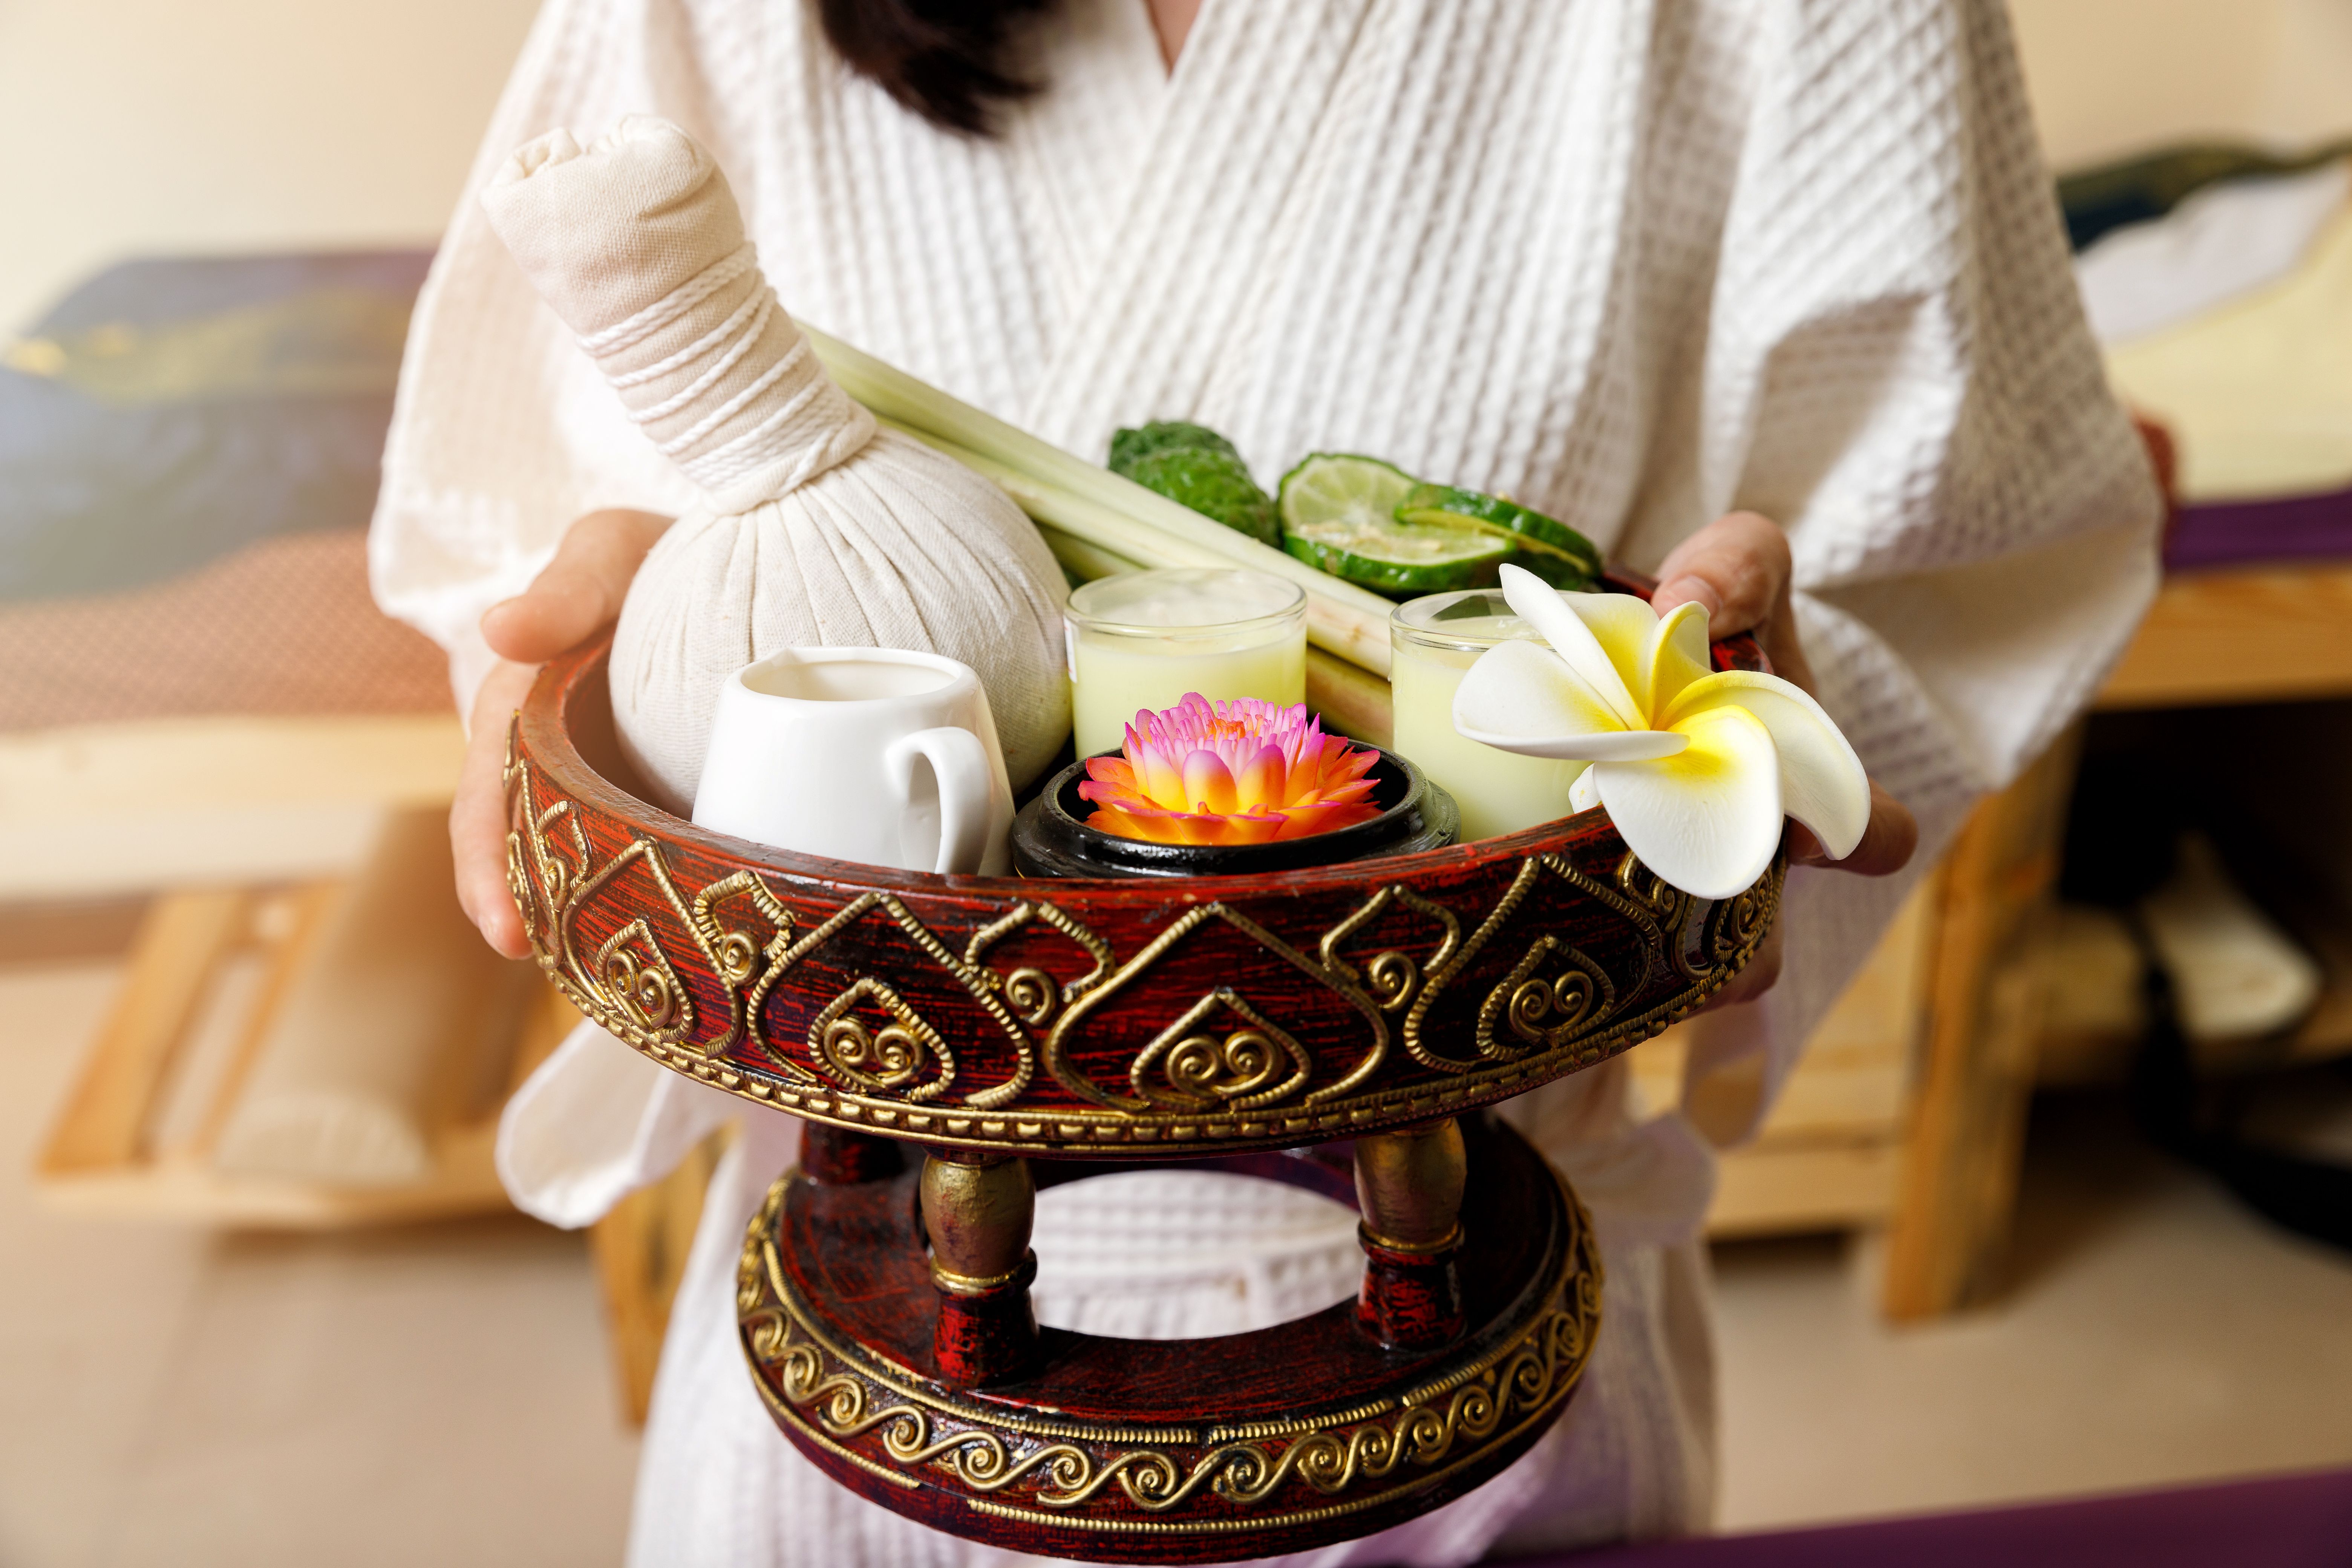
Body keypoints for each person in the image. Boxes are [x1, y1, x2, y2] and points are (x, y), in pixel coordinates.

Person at [372, 0, 2158, 1562]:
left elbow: (1967, 541)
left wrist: (1751, 707)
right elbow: (513, 498)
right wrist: (611, 624)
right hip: (876, 1287)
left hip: (1473, 1295)